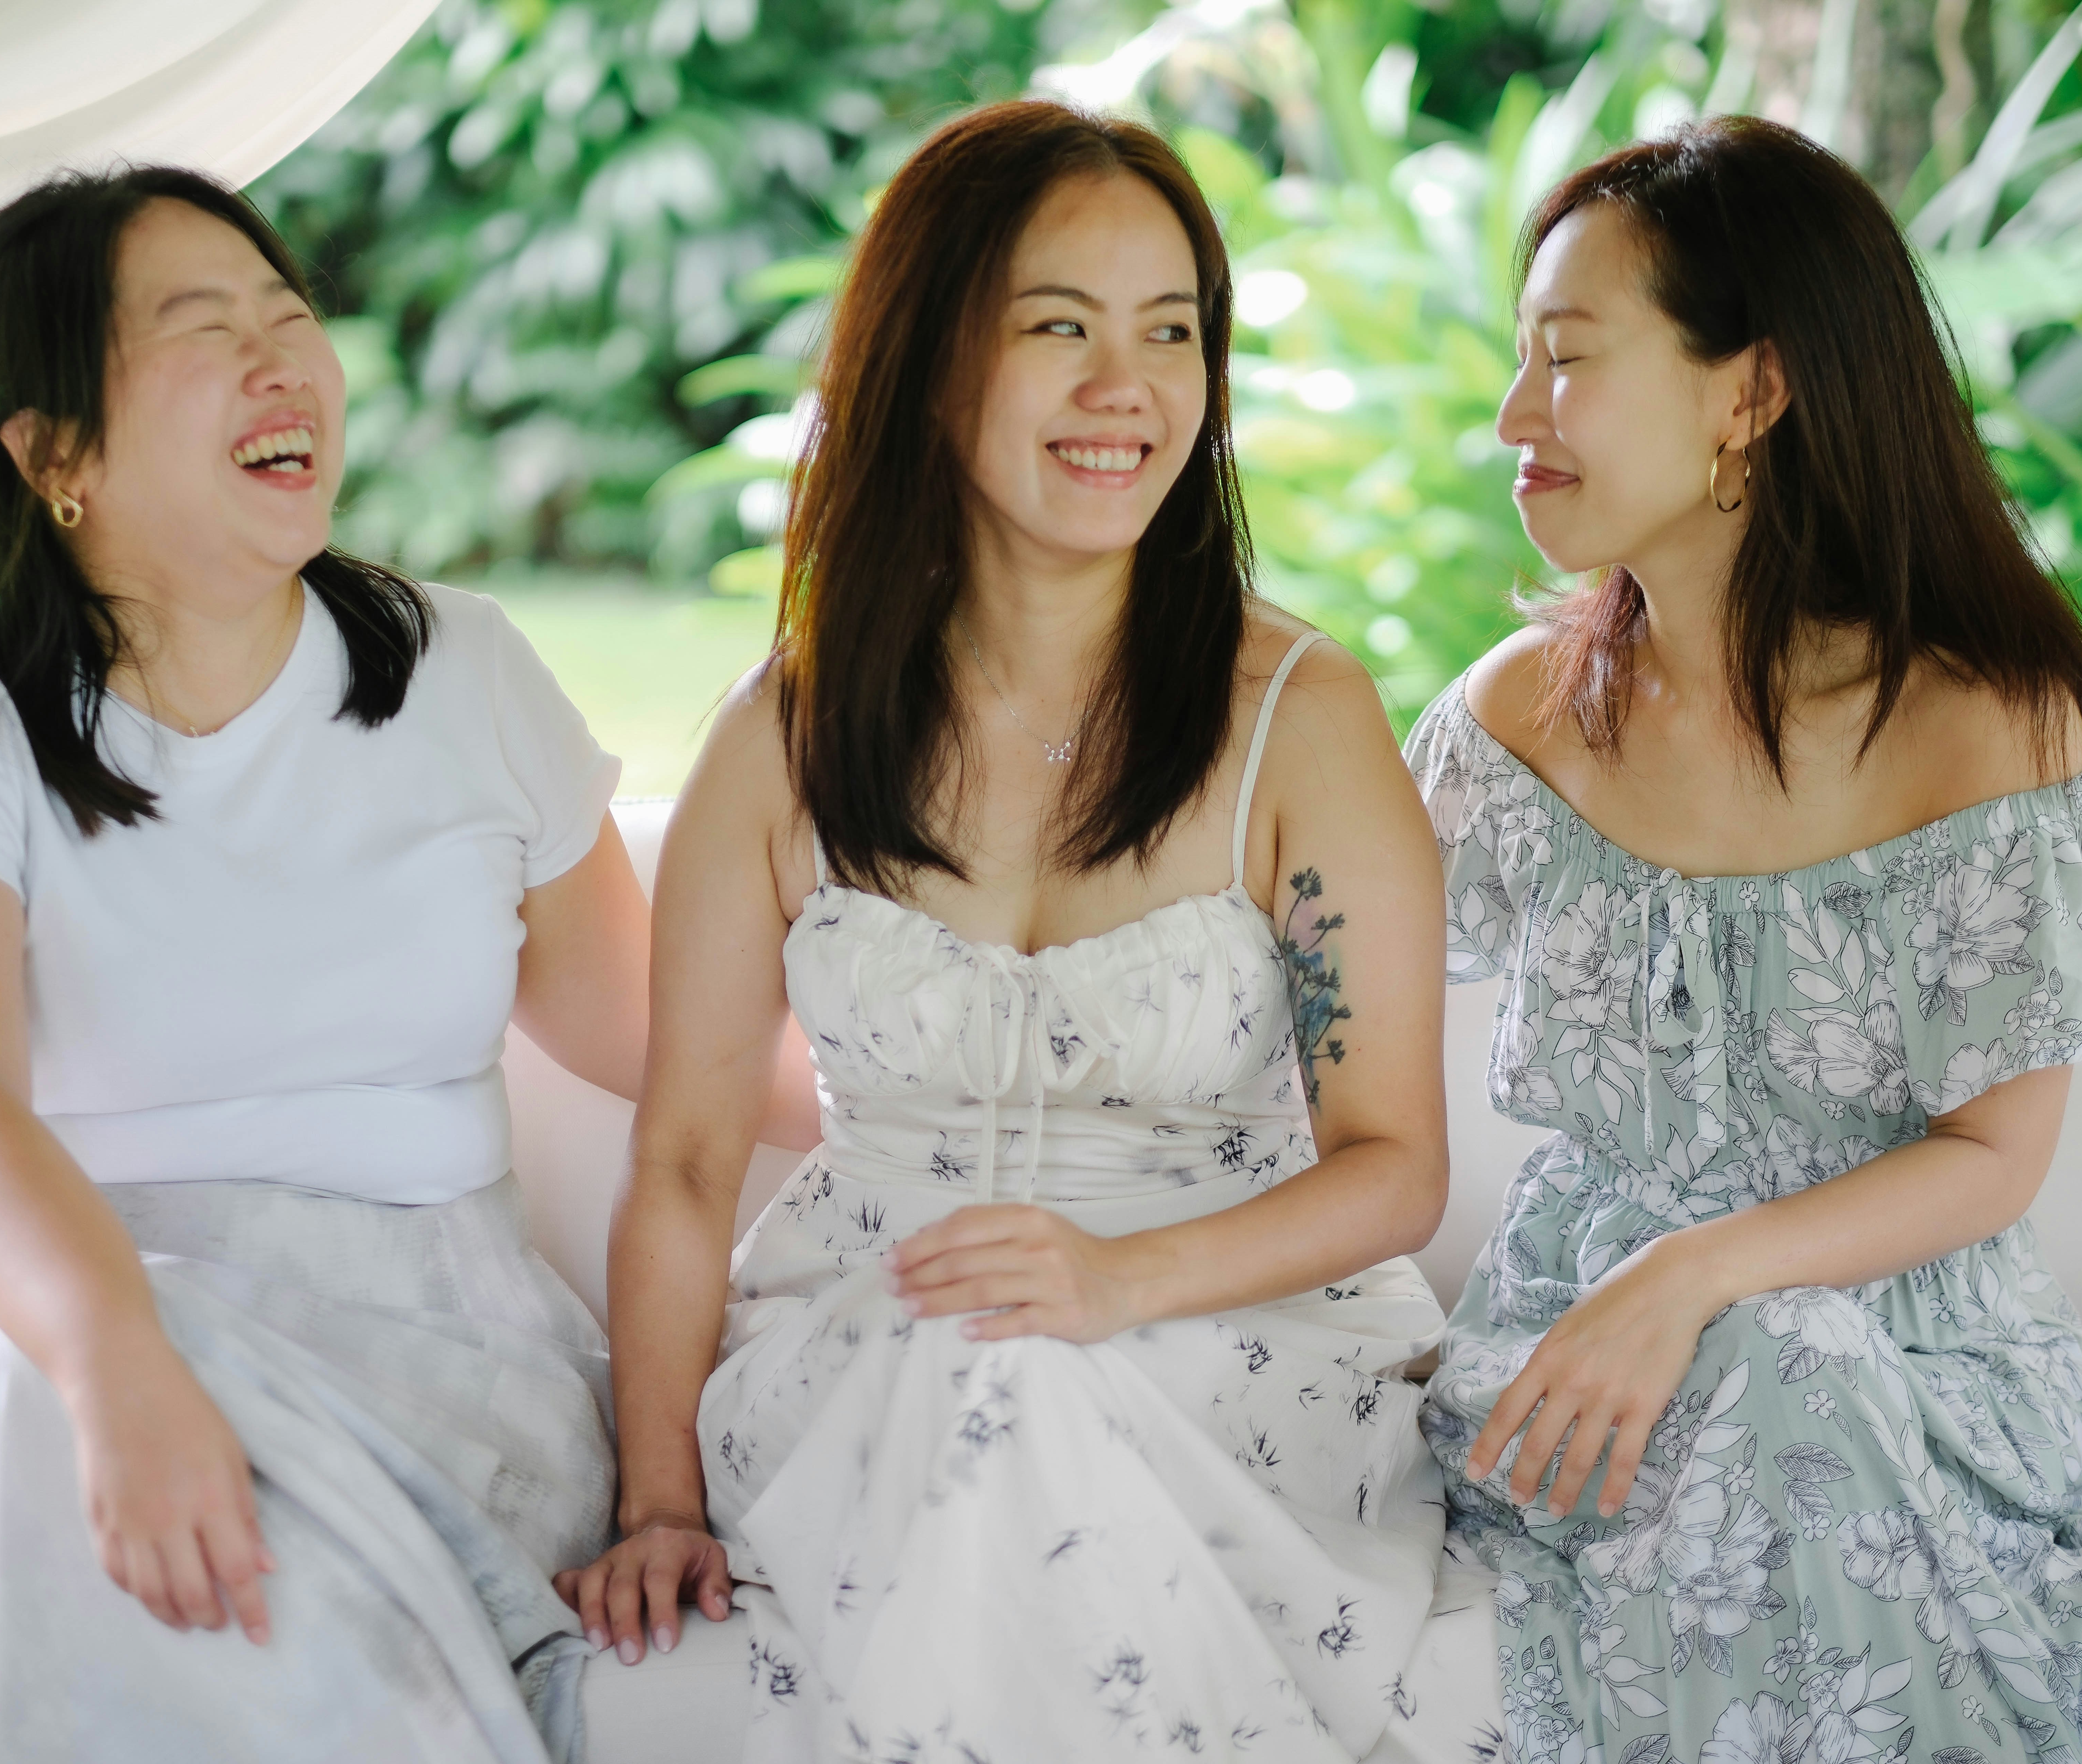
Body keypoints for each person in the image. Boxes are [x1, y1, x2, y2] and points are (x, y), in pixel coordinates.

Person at [0, 167, 651, 1764]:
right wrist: (113, 1358)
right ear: (54, 452)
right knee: (47, 1401)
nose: (288, 363)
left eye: (292, 315)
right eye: (207, 329)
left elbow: (654, 1034)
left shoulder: (465, 670)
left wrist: (952, 1102)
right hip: (23, 1311)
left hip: (431, 1344)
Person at [559, 99, 1456, 1761]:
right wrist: (658, 1494)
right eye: (1061, 329)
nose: (1129, 388)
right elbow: (685, 1161)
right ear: (931, 361)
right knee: (978, 1371)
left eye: (1171, 332)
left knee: (1020, 1380)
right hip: (867, 1346)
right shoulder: (784, 740)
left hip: (1223, 1338)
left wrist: (1116, 1281)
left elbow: (1396, 1161)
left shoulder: (1301, 719)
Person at [1409, 115, 2082, 1760]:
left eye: (1570, 361)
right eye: (1523, 363)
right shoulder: (1516, 720)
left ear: (1752, 392)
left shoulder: (1976, 723)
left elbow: (1994, 1156)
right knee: (1753, 1380)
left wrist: (1700, 1270)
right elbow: (1299, 1010)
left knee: (1784, 1360)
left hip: (1915, 1363)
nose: (1516, 420)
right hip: (1583, 1366)